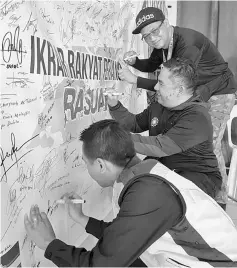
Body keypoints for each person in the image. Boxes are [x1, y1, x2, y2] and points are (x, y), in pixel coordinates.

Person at [24, 119, 237, 267]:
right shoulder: (146, 173)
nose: (87, 171)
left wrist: (49, 244)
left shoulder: (149, 194)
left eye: (85, 164)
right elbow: (126, 237)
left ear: (100, 165)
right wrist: (82, 219)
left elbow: (101, 265)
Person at [119, 6, 237, 205]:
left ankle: (218, 200)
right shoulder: (164, 44)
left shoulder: (187, 44)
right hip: (197, 90)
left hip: (217, 91)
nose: (152, 38)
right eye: (146, 36)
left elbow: (174, 84)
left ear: (166, 23)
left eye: (155, 31)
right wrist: (136, 62)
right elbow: (151, 65)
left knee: (211, 144)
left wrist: (135, 80)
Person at [107, 57, 224, 205]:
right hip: (166, 170)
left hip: (199, 178)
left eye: (161, 83)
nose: (155, 87)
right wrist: (114, 105)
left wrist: (119, 138)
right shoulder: (159, 105)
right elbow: (134, 124)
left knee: (157, 201)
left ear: (179, 90)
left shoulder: (197, 116)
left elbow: (160, 146)